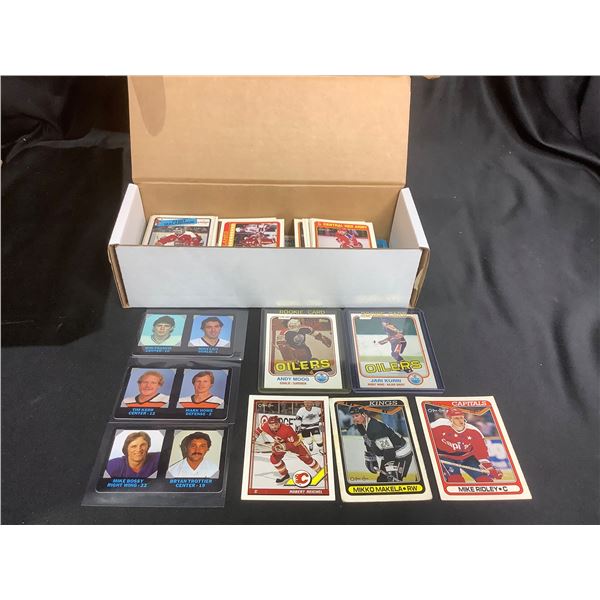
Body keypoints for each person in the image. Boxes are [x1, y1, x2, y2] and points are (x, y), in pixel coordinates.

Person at [431, 408, 503, 483]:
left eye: (461, 417)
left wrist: (490, 468)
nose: (460, 421)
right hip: (445, 456)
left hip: (467, 457)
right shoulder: (437, 426)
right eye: (456, 418)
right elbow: (426, 437)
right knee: (456, 480)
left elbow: (481, 453)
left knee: (484, 480)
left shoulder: (474, 431)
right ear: (449, 419)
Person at [349, 406, 414, 483]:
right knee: (382, 480)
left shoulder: (375, 427)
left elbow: (388, 449)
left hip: (402, 454)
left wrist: (390, 468)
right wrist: (371, 457)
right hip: (389, 453)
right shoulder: (361, 426)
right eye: (353, 416)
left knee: (393, 482)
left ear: (364, 414)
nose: (354, 419)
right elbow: (368, 442)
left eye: (357, 416)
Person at [253, 415, 322, 484]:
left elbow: (295, 442)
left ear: (279, 423)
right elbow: (259, 428)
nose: (274, 427)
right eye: (272, 425)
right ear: (268, 424)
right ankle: (285, 476)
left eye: (276, 424)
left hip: (295, 444)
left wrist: (283, 446)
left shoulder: (287, 429)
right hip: (280, 443)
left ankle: (320, 471)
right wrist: (254, 437)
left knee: (307, 459)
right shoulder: (265, 426)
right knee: (274, 459)